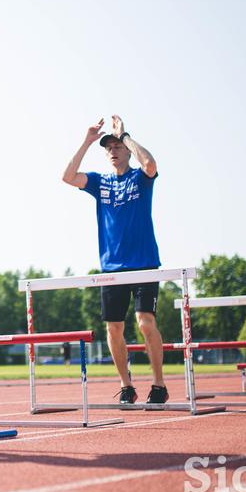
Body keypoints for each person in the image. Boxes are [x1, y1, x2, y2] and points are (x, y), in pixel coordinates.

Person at [61, 115, 167, 405]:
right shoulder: (99, 182)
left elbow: (150, 166)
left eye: (117, 146)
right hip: (112, 267)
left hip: (144, 262)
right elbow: (68, 177)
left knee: (146, 323)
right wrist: (87, 140)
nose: (113, 150)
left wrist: (126, 136)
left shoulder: (139, 178)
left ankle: (158, 384)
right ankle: (126, 385)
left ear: (126, 150)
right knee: (113, 328)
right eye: (108, 148)